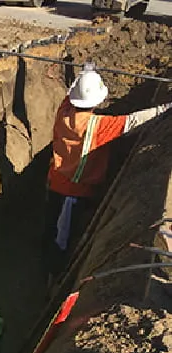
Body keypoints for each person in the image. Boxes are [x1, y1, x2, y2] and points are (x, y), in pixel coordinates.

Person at [44, 62, 171, 281]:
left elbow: (73, 94)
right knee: (61, 238)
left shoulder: (64, 110)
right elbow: (133, 121)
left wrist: (86, 72)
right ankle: (54, 275)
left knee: (55, 224)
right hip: (72, 193)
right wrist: (166, 109)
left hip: (56, 180)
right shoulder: (96, 127)